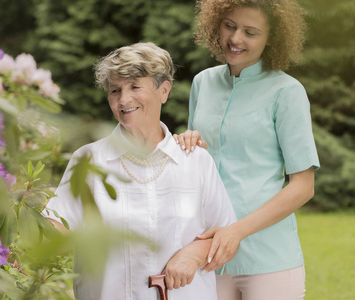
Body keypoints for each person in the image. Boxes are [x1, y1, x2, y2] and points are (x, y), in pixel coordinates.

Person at [43, 42, 237, 300]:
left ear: (164, 91)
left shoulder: (196, 161)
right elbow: (53, 235)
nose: (124, 100)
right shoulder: (88, 160)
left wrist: (194, 254)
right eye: (115, 90)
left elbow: (226, 235)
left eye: (135, 86)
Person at [174, 0, 320, 299]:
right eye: (230, 26)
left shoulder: (287, 92)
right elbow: (197, 162)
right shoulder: (203, 83)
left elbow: (303, 187)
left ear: (271, 39)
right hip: (206, 255)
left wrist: (235, 232)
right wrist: (186, 142)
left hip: (268, 258)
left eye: (250, 32)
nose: (235, 39)